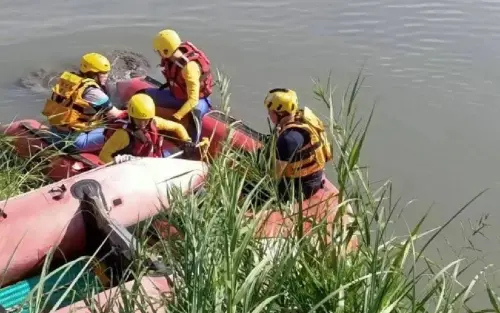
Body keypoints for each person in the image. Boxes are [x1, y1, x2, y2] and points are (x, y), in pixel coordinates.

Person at [42, 52, 126, 152]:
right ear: (93, 74)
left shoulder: (70, 82)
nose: (107, 75)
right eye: (103, 73)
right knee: (123, 131)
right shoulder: (92, 92)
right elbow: (117, 115)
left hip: (56, 133)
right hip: (73, 141)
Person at [144, 28, 213, 143]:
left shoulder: (189, 68)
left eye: (159, 51)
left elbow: (193, 100)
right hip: (177, 95)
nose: (158, 54)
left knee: (194, 117)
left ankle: (192, 145)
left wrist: (178, 116)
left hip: (198, 100)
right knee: (144, 95)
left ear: (165, 51)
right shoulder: (172, 58)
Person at [264, 88, 333, 202]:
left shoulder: (288, 139)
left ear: (280, 113)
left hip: (301, 188)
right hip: (315, 177)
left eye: (270, 111)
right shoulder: (302, 119)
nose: (268, 113)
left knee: (247, 188)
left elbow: (275, 176)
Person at [98, 93, 194, 164]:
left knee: (180, 154)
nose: (143, 124)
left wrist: (187, 140)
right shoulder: (123, 135)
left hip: (148, 160)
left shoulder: (154, 122)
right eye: (138, 120)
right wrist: (119, 166)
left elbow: (178, 127)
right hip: (129, 166)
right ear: (131, 117)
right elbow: (103, 156)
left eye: (146, 120)